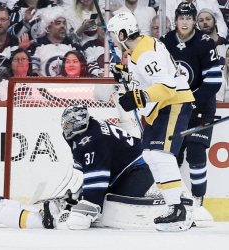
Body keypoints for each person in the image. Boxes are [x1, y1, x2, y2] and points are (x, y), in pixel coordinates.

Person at [107, 12, 195, 232]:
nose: (112, 40)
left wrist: (139, 97)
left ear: (122, 33)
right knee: (149, 154)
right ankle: (172, 207)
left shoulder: (145, 52)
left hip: (172, 104)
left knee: (160, 155)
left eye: (113, 35)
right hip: (161, 108)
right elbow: (148, 78)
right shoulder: (140, 48)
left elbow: (166, 86)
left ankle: (178, 209)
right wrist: (126, 76)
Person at [160, 2, 221, 227]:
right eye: (181, 17)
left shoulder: (205, 44)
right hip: (174, 108)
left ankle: (197, 202)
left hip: (201, 108)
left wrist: (191, 102)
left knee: (196, 152)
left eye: (188, 17)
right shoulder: (165, 42)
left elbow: (214, 81)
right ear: (175, 20)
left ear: (194, 20)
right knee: (170, 157)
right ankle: (172, 201)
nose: (184, 21)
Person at [57, 105, 154, 230]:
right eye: (65, 123)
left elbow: (97, 177)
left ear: (79, 124)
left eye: (69, 125)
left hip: (141, 168)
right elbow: (82, 168)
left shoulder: (94, 139)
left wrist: (88, 205)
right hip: (123, 169)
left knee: (111, 207)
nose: (65, 127)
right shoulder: (80, 133)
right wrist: (72, 198)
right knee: (103, 202)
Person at [27, 6, 81, 76]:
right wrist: (47, 84)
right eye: (58, 23)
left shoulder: (73, 46)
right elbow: (32, 69)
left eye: (64, 23)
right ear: (48, 28)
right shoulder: (36, 45)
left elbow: (81, 69)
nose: (62, 26)